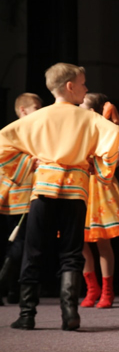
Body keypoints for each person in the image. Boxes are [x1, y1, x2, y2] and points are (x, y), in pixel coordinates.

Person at [0, 62, 119, 330]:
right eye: (82, 83)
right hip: (75, 192)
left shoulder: (37, 117)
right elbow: (114, 137)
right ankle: (70, 314)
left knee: (33, 251)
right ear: (70, 86)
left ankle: (26, 314)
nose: (86, 87)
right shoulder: (90, 119)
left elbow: (3, 143)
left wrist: (27, 163)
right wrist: (95, 164)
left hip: (43, 189)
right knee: (71, 252)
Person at [78, 93, 119, 309]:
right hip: (80, 186)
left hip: (100, 188)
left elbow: (118, 155)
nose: (78, 105)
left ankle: (107, 290)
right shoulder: (78, 129)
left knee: (103, 241)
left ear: (93, 111)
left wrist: (99, 159)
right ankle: (92, 288)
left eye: (83, 103)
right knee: (80, 240)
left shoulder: (105, 131)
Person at [0, 93, 43, 305]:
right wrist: (32, 162)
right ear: (23, 110)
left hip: (30, 193)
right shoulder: (13, 132)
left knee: (25, 243)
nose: (40, 110)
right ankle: (4, 283)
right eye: (36, 107)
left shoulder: (37, 132)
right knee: (19, 242)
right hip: (16, 193)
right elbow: (5, 160)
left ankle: (15, 290)